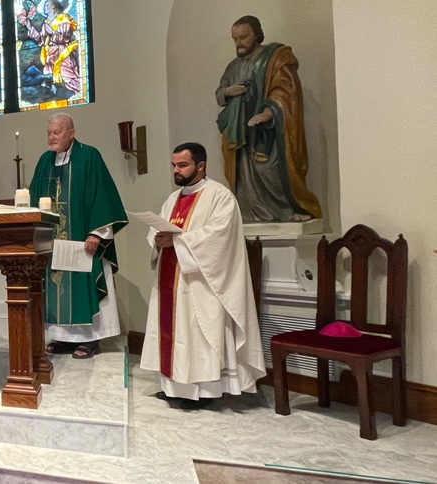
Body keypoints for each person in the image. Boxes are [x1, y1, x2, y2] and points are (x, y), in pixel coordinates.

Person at [140, 142, 266, 407]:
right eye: (174, 165)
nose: (176, 170)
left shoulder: (220, 196)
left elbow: (220, 237)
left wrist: (178, 241)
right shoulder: (172, 199)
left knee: (197, 333)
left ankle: (204, 392)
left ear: (201, 165)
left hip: (201, 283)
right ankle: (174, 388)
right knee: (174, 333)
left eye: (182, 165)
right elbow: (158, 231)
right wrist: (157, 239)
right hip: (171, 280)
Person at [29, 113, 127, 359]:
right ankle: (63, 338)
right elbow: (32, 197)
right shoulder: (44, 161)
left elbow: (102, 196)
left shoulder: (89, 156)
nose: (52, 137)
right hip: (53, 242)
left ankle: (90, 339)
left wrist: (96, 233)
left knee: (84, 283)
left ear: (71, 132)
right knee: (56, 287)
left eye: (57, 132)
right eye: (49, 132)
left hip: (83, 239)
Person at [215, 15, 322, 224]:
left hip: (270, 134)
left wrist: (268, 112)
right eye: (235, 39)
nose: (239, 43)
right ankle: (249, 213)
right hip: (241, 132)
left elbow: (286, 90)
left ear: (256, 34)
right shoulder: (233, 66)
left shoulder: (275, 58)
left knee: (271, 171)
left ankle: (286, 210)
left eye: (243, 37)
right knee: (244, 177)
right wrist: (229, 91)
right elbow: (220, 92)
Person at [18, 0, 81, 94]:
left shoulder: (64, 19)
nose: (44, 6)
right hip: (50, 55)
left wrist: (53, 32)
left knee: (67, 75)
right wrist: (29, 25)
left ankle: (78, 91)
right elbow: (40, 39)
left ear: (54, 7)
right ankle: (54, 94)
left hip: (62, 52)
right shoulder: (46, 23)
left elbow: (66, 36)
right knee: (48, 77)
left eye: (47, 4)